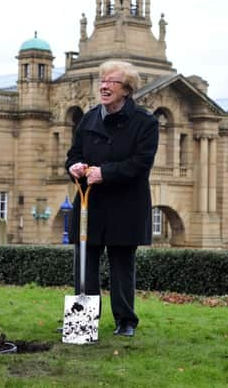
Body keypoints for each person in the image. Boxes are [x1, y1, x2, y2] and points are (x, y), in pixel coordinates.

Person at [65, 60, 159, 337]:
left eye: (112, 82)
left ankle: (126, 321)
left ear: (127, 89)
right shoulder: (89, 117)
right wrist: (74, 167)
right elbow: (74, 154)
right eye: (102, 81)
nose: (104, 86)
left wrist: (105, 173)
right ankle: (84, 322)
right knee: (84, 264)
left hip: (125, 205)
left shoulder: (145, 122)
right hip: (89, 204)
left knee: (121, 266)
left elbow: (141, 163)